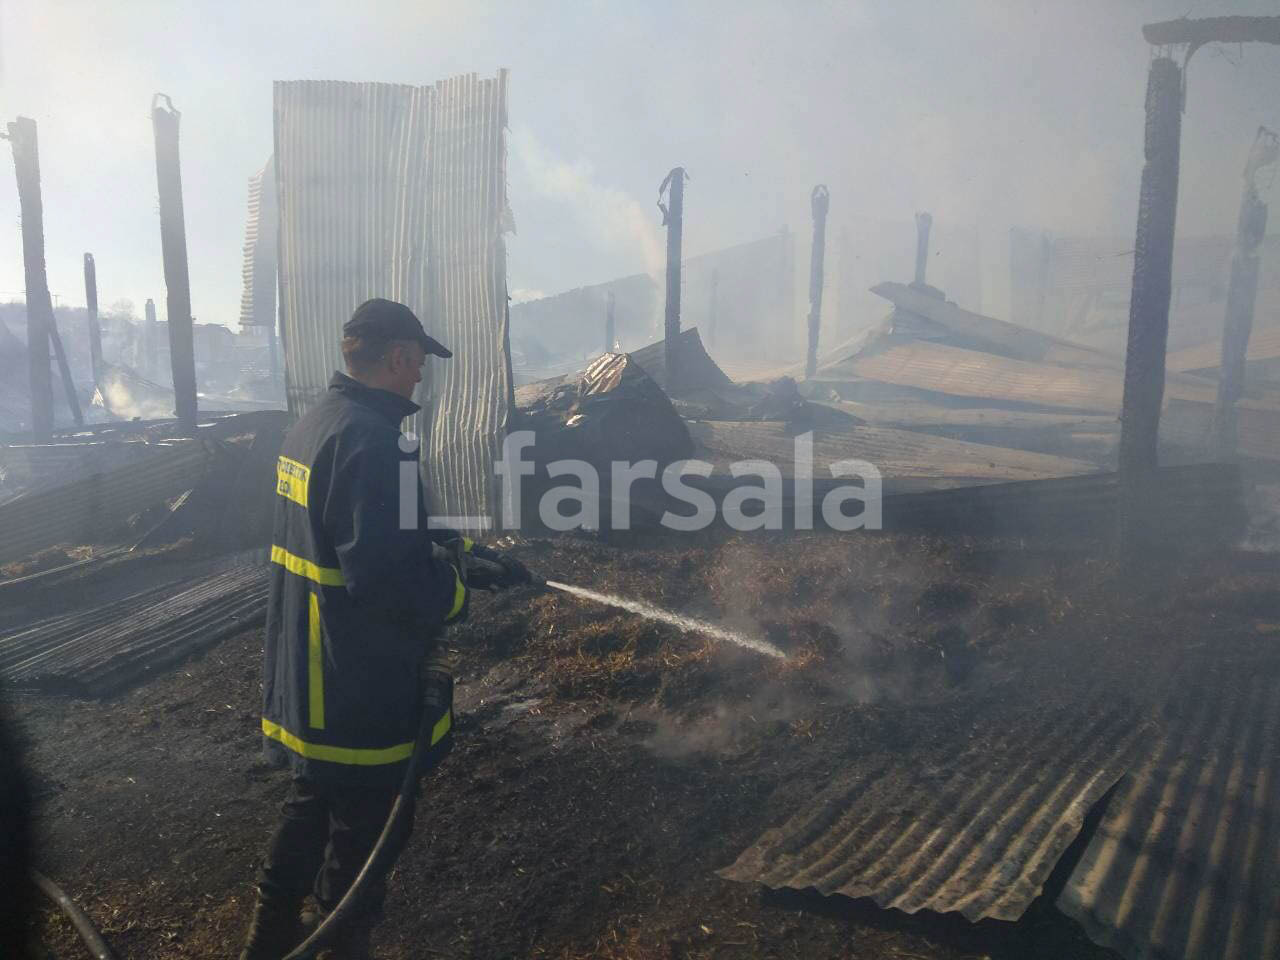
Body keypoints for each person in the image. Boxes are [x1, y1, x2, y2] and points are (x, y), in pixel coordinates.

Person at [240, 298, 530, 960]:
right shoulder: (376, 443)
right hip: (357, 684)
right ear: (398, 357)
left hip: (310, 671)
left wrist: (460, 550)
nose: (422, 375)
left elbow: (360, 530)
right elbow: (386, 582)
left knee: (311, 801)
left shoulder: (317, 423)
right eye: (420, 361)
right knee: (367, 833)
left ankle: (268, 938)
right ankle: (340, 944)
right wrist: (454, 592)